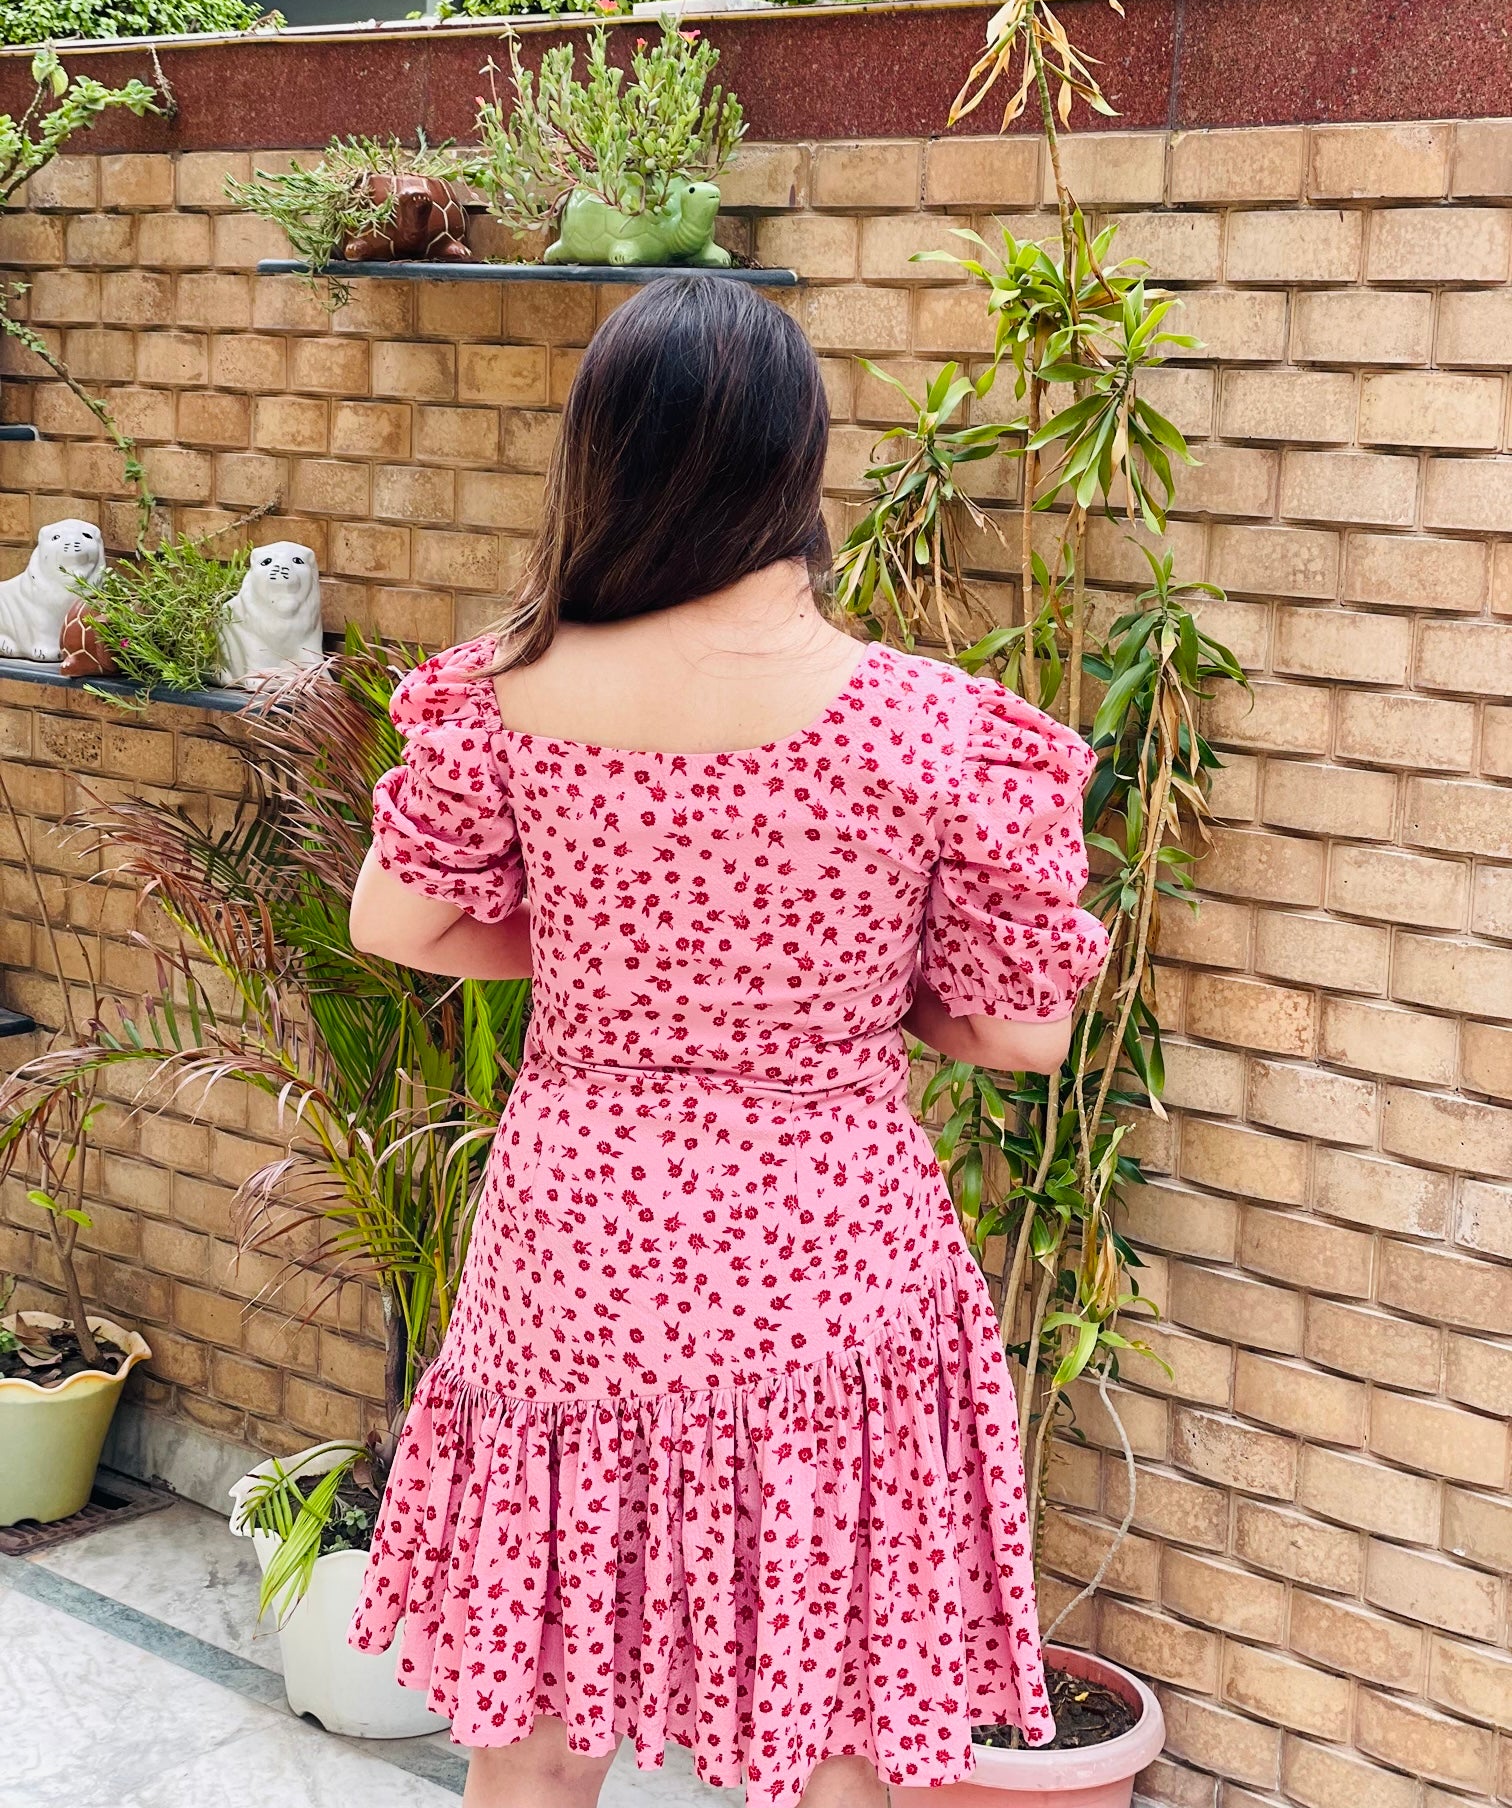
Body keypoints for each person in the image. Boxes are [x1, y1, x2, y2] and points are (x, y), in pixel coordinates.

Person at [346, 276, 1110, 1808]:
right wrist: (840, 992)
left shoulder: (510, 697)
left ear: (603, 457)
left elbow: (399, 926)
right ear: (800, 462)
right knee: (835, 1710)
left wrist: (603, 969)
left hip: (580, 1253)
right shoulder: (929, 727)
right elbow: (1022, 1032)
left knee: (542, 1720)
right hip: (829, 1260)